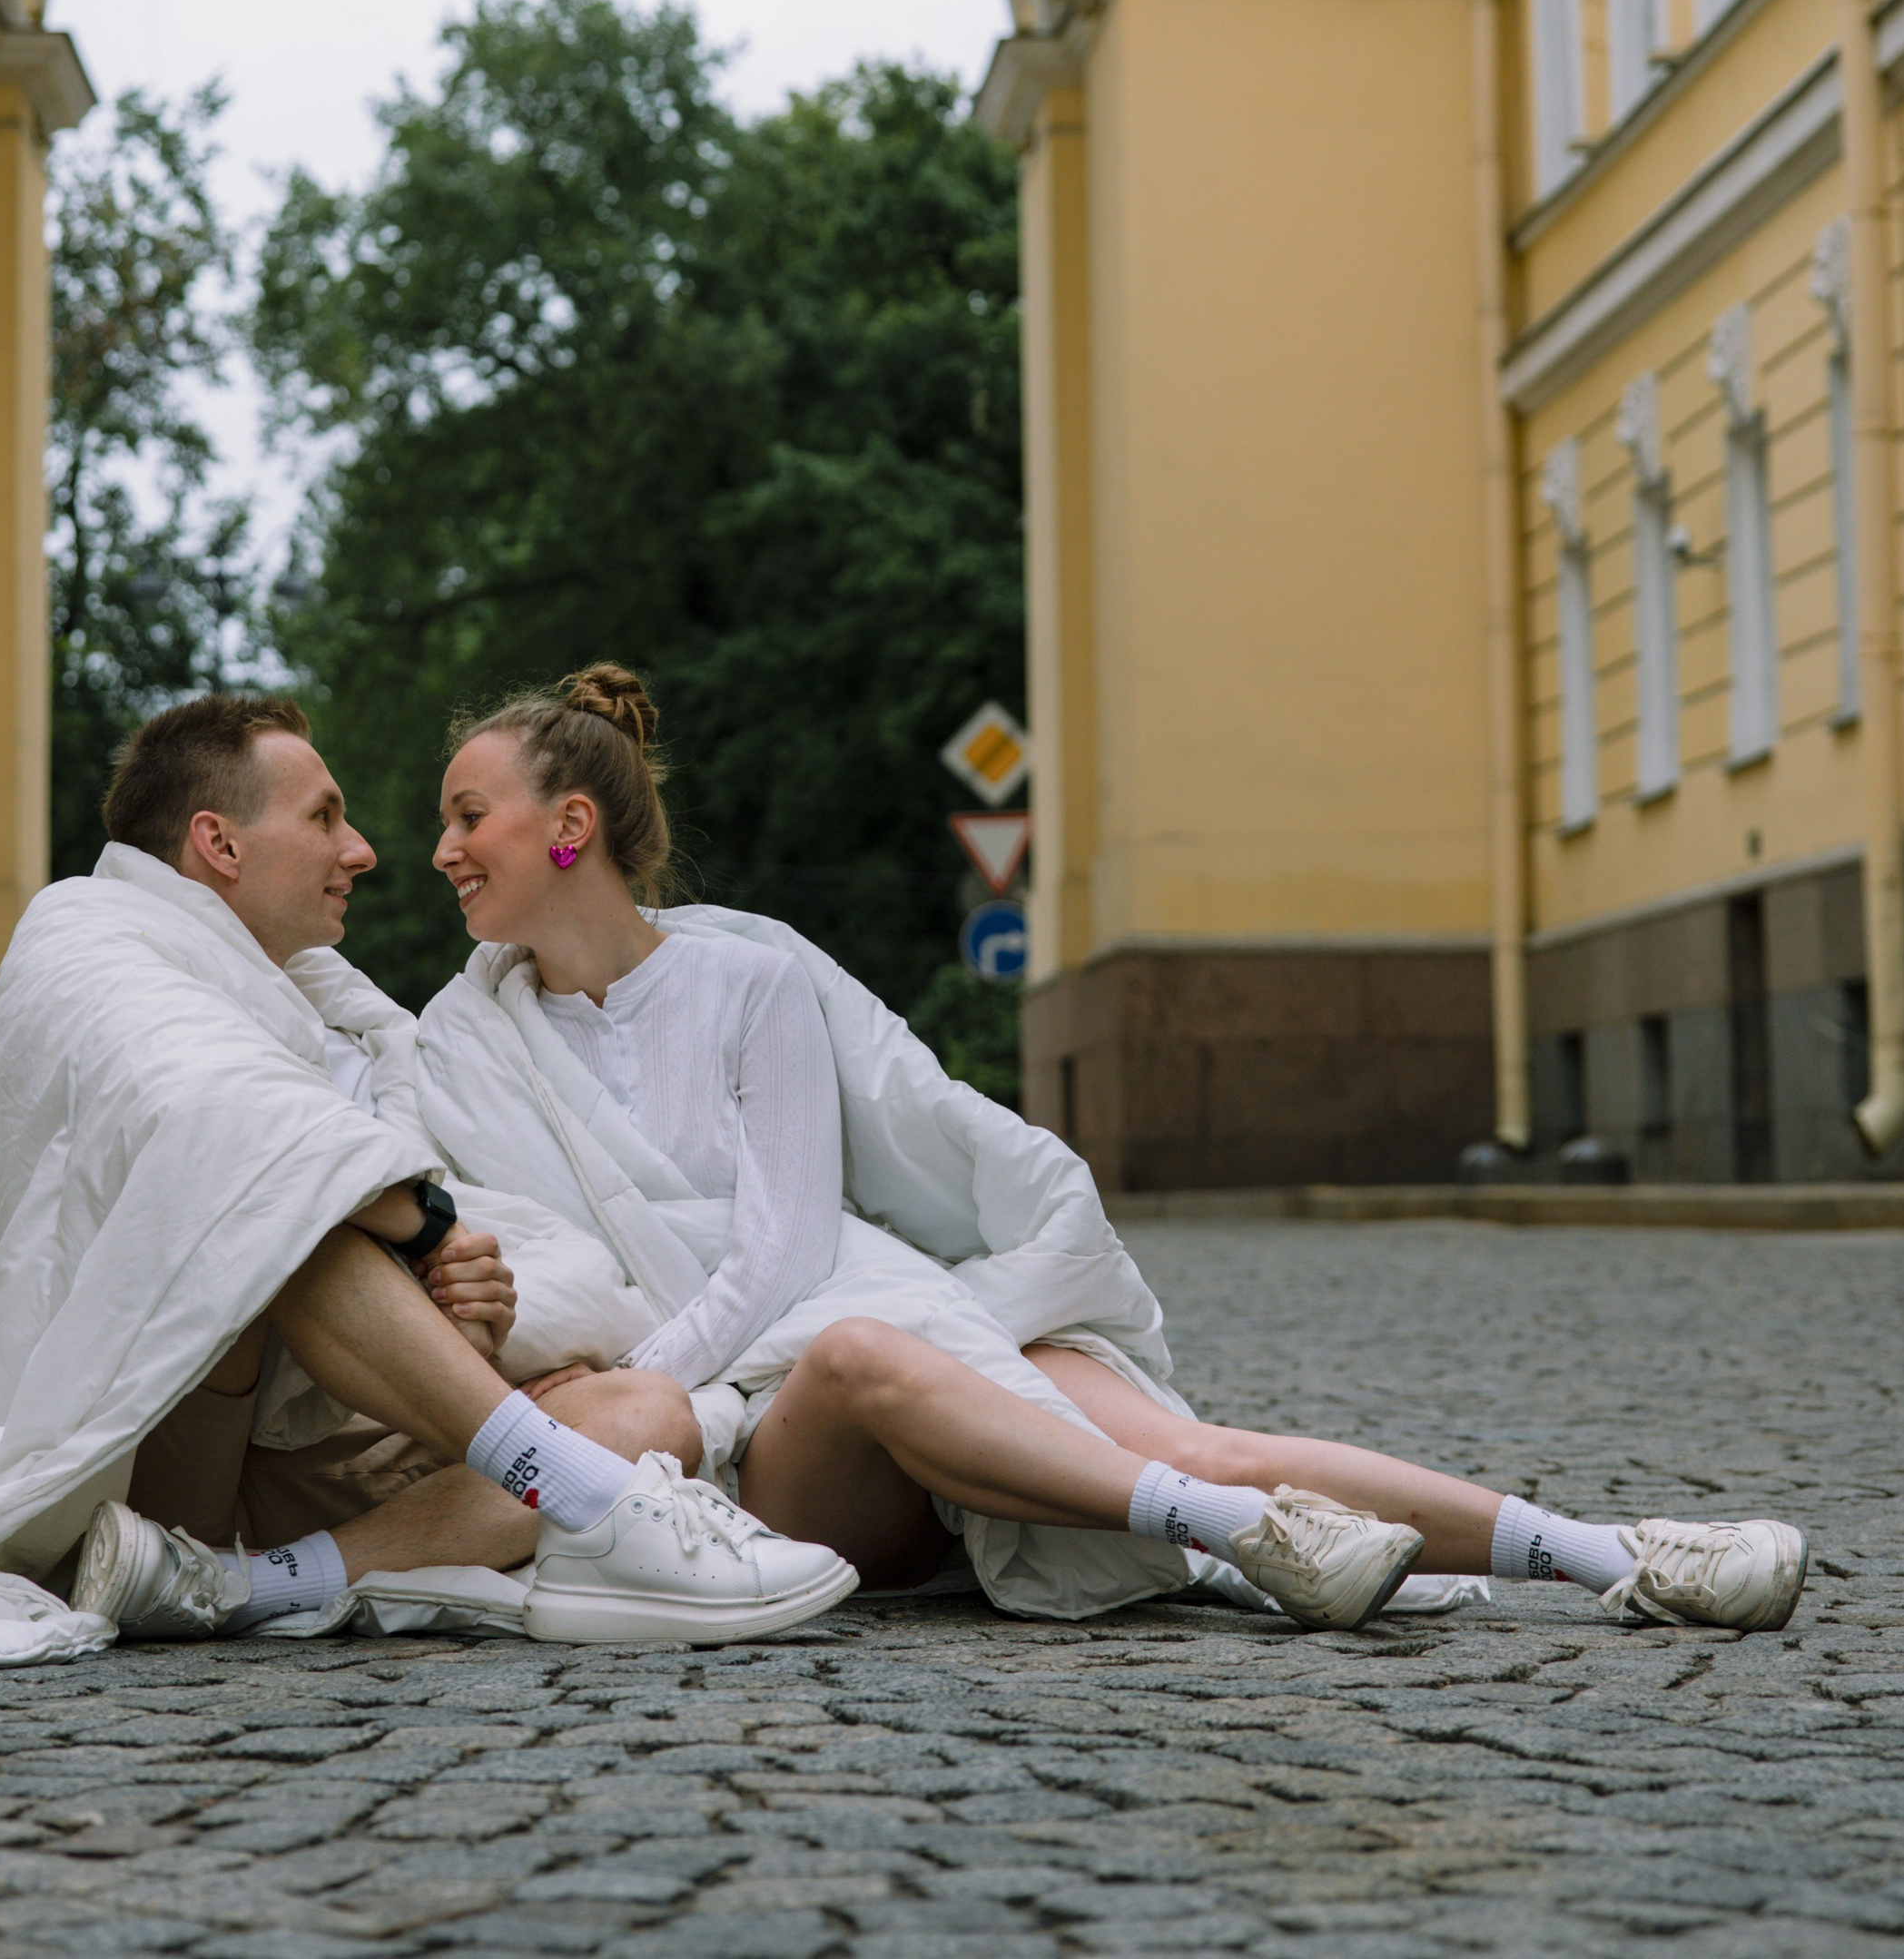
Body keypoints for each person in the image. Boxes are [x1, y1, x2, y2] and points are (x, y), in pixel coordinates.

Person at [413, 664, 1810, 1639]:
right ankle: (1228, 1528)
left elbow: (790, 1238)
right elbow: (542, 1266)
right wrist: (629, 1394)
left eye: (467, 815)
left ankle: (1613, 1554)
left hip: (869, 1300)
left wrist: (650, 1370)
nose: (442, 851)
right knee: (856, 1362)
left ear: (570, 828)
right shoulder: (460, 1043)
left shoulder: (754, 980)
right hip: (750, 1442)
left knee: (1185, 1431)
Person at [0, 695, 854, 1672]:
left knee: (645, 1406)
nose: (365, 849)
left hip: (323, 1463)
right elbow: (228, 1125)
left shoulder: (343, 1016)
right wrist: (419, 1221)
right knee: (285, 1207)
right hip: (164, 1455)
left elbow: (389, 1185)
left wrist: (463, 1290)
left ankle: (242, 1588)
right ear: (218, 842)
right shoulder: (90, 935)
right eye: (324, 816)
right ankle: (590, 1504)